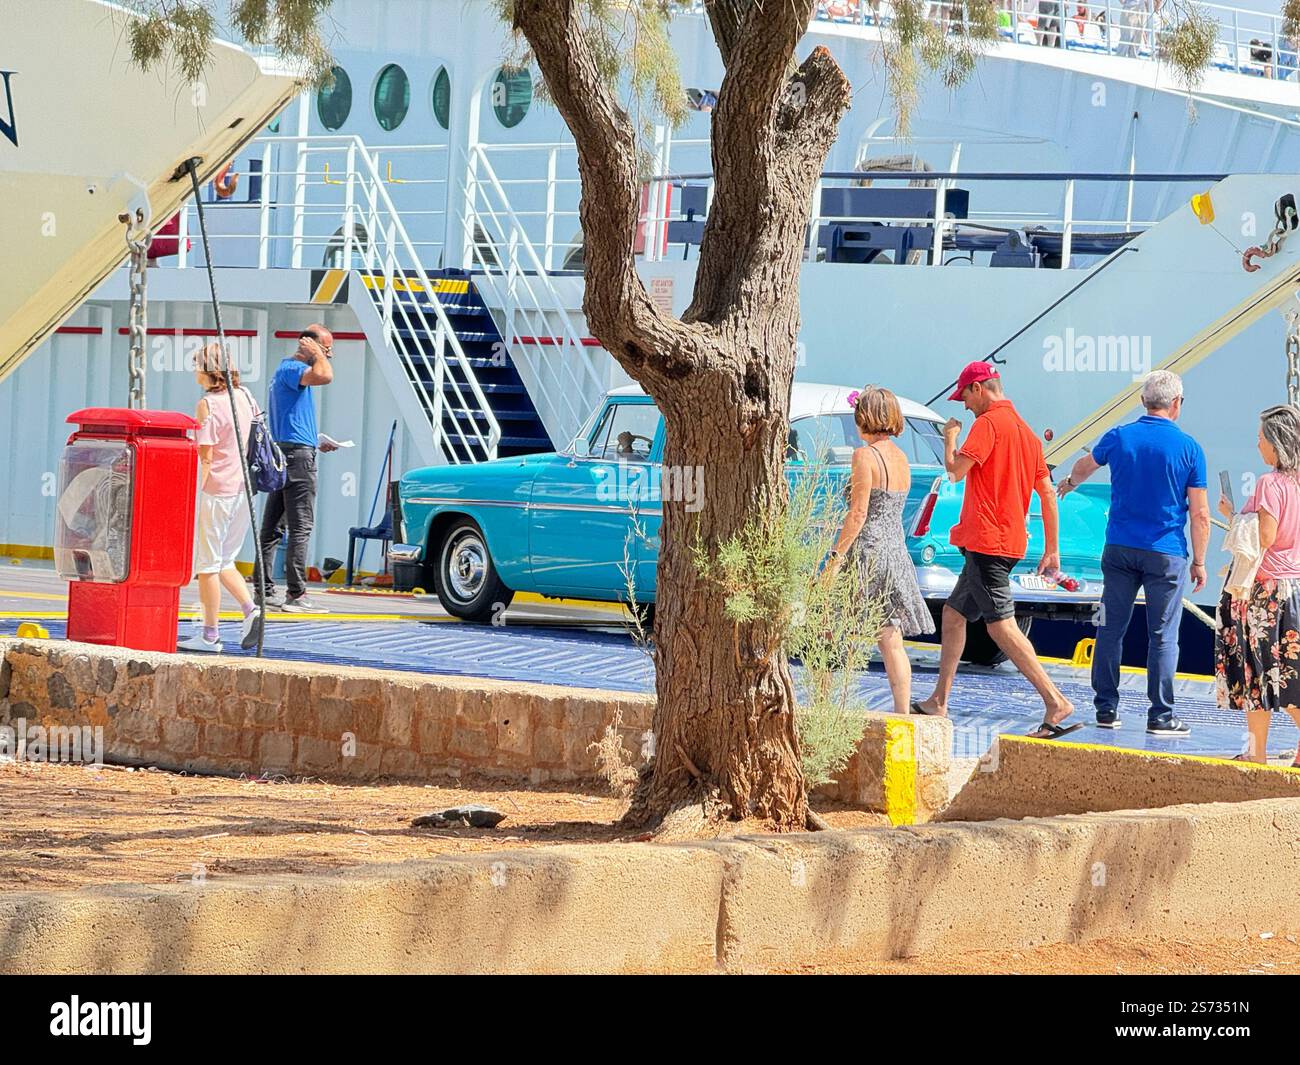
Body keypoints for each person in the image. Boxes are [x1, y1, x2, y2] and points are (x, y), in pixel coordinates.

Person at [912, 361, 1076, 737]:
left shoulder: (987, 425)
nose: (964, 407)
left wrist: (949, 437)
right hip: (1004, 542)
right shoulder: (1027, 433)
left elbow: (955, 471)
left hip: (988, 541)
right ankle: (939, 700)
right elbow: (1048, 494)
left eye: (965, 397)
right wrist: (1052, 549)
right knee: (954, 615)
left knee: (1001, 626)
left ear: (980, 389)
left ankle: (1055, 701)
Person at [1058, 370, 1208, 736]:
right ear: (1177, 404)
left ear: (1143, 401)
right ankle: (1161, 715)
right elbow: (1201, 513)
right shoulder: (1189, 448)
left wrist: (1070, 483)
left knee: (1110, 628)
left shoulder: (1120, 436)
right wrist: (1201, 562)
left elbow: (1084, 465)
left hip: (1120, 549)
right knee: (1162, 635)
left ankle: (1106, 709)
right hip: (1166, 554)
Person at [826, 387, 936, 714]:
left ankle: (827, 706)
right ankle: (902, 713)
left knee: (829, 627)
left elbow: (859, 513)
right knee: (891, 637)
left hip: (867, 552)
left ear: (864, 417)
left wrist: (835, 557)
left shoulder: (864, 457)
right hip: (895, 551)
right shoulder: (901, 458)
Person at [1215, 405, 1300, 768]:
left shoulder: (1270, 484)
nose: (1257, 443)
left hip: (1265, 594)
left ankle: (1257, 753)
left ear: (1277, 444)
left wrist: (1235, 518)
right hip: (1295, 588)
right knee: (1292, 677)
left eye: (1262, 437)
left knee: (1255, 678)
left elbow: (1264, 537)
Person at [177, 344, 263, 653]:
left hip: (216, 491)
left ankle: (210, 635)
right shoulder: (246, 396)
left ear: (208, 371)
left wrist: (193, 495)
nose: (194, 372)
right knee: (226, 560)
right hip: (244, 491)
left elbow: (207, 458)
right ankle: (250, 609)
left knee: (208, 565)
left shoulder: (207, 405)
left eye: (197, 366)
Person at [258, 325, 338, 613]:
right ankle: (297, 594)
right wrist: (316, 354)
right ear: (307, 343)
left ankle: (264, 589)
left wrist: (316, 440)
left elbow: (288, 421)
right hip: (298, 459)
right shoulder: (293, 369)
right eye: (325, 347)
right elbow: (326, 375)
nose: (329, 354)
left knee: (272, 527)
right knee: (301, 526)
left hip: (288, 451)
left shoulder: (285, 372)